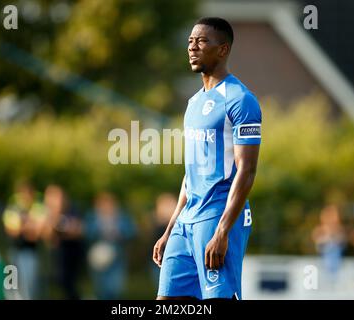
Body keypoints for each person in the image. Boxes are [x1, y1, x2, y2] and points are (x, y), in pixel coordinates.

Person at [153, 17, 261, 300]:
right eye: (190, 41)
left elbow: (247, 171)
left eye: (202, 41)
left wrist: (223, 231)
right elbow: (191, 175)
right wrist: (170, 229)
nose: (193, 47)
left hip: (216, 217)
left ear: (223, 50)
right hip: (186, 222)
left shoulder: (240, 99)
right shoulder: (193, 102)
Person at [84, 192, 137, 299]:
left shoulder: (122, 216)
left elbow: (132, 231)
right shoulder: (92, 217)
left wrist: (120, 233)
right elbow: (86, 232)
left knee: (115, 287)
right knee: (100, 287)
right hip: (97, 257)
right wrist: (100, 229)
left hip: (118, 256)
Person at [2, 180, 47, 299]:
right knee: (11, 286)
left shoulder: (38, 206)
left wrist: (22, 225)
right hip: (13, 252)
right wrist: (29, 225)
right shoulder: (13, 206)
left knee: (29, 287)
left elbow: (36, 233)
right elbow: (12, 231)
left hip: (29, 253)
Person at [42, 184, 84, 300]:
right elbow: (46, 235)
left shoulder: (72, 210)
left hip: (70, 253)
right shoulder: (43, 213)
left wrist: (60, 228)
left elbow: (78, 230)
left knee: (68, 284)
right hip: (52, 257)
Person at [311, 205, 346, 283]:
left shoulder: (340, 231)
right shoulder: (319, 231)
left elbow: (342, 242)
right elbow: (316, 241)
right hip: (322, 266)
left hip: (338, 267)